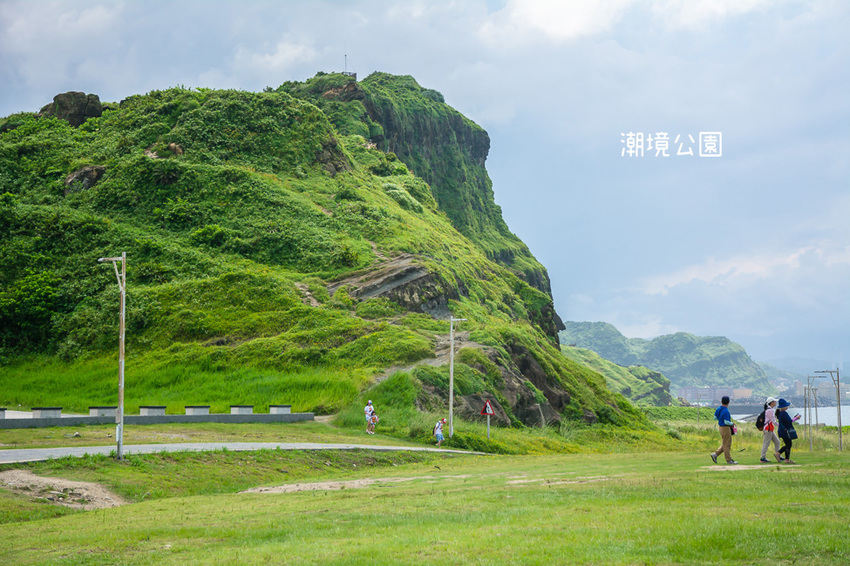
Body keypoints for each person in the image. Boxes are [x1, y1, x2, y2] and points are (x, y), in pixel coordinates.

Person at [710, 396, 738, 465]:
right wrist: (732, 423)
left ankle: (715, 454)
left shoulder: (719, 409)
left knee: (725, 443)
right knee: (727, 444)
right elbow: (726, 422)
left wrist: (720, 420)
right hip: (726, 428)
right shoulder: (726, 411)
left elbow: (715, 417)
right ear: (728, 402)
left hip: (720, 427)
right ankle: (729, 459)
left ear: (721, 401)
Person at [777, 398, 800, 464]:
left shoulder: (781, 413)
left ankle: (779, 453)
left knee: (788, 444)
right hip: (785, 431)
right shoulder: (784, 413)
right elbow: (790, 421)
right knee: (788, 445)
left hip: (782, 431)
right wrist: (796, 418)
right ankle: (785, 458)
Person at [760, 397, 782, 463]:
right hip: (768, 429)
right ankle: (762, 458)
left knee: (777, 442)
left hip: (770, 429)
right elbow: (773, 421)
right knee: (766, 443)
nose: (775, 402)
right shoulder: (769, 410)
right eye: (774, 401)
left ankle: (778, 455)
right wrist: (780, 426)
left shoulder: (769, 409)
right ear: (771, 402)